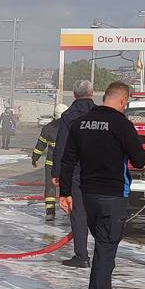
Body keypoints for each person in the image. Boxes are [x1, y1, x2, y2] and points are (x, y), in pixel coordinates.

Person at [59, 81, 145, 289]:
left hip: (87, 195)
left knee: (102, 247)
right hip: (111, 196)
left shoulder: (80, 123)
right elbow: (139, 160)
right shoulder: (122, 124)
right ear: (122, 100)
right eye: (126, 103)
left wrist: (64, 193)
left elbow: (67, 160)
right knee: (106, 248)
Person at [52, 80, 96, 268]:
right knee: (101, 212)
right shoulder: (100, 114)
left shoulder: (68, 116)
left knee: (78, 214)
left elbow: (61, 146)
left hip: (77, 170)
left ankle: (82, 255)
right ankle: (105, 256)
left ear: (74, 94)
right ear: (92, 93)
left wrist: (57, 173)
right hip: (98, 169)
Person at [32, 103, 68, 221]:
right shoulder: (72, 127)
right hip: (67, 164)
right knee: (69, 187)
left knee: (50, 188)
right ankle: (70, 210)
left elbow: (40, 145)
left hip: (51, 164)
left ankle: (50, 213)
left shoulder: (48, 128)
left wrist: (35, 158)